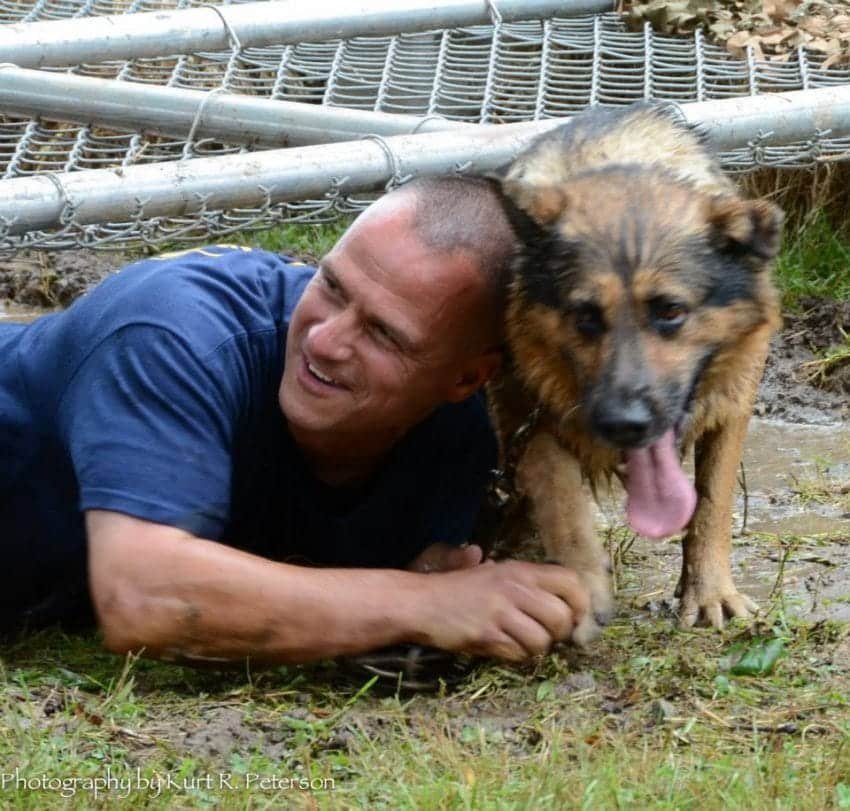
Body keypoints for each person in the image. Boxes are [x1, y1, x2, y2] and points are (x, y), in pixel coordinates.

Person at [0, 175, 588, 665]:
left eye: (383, 333)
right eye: (330, 285)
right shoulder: (174, 333)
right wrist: (426, 603)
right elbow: (146, 595)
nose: (326, 340)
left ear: (467, 380)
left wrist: (432, 577)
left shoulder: (477, 430)